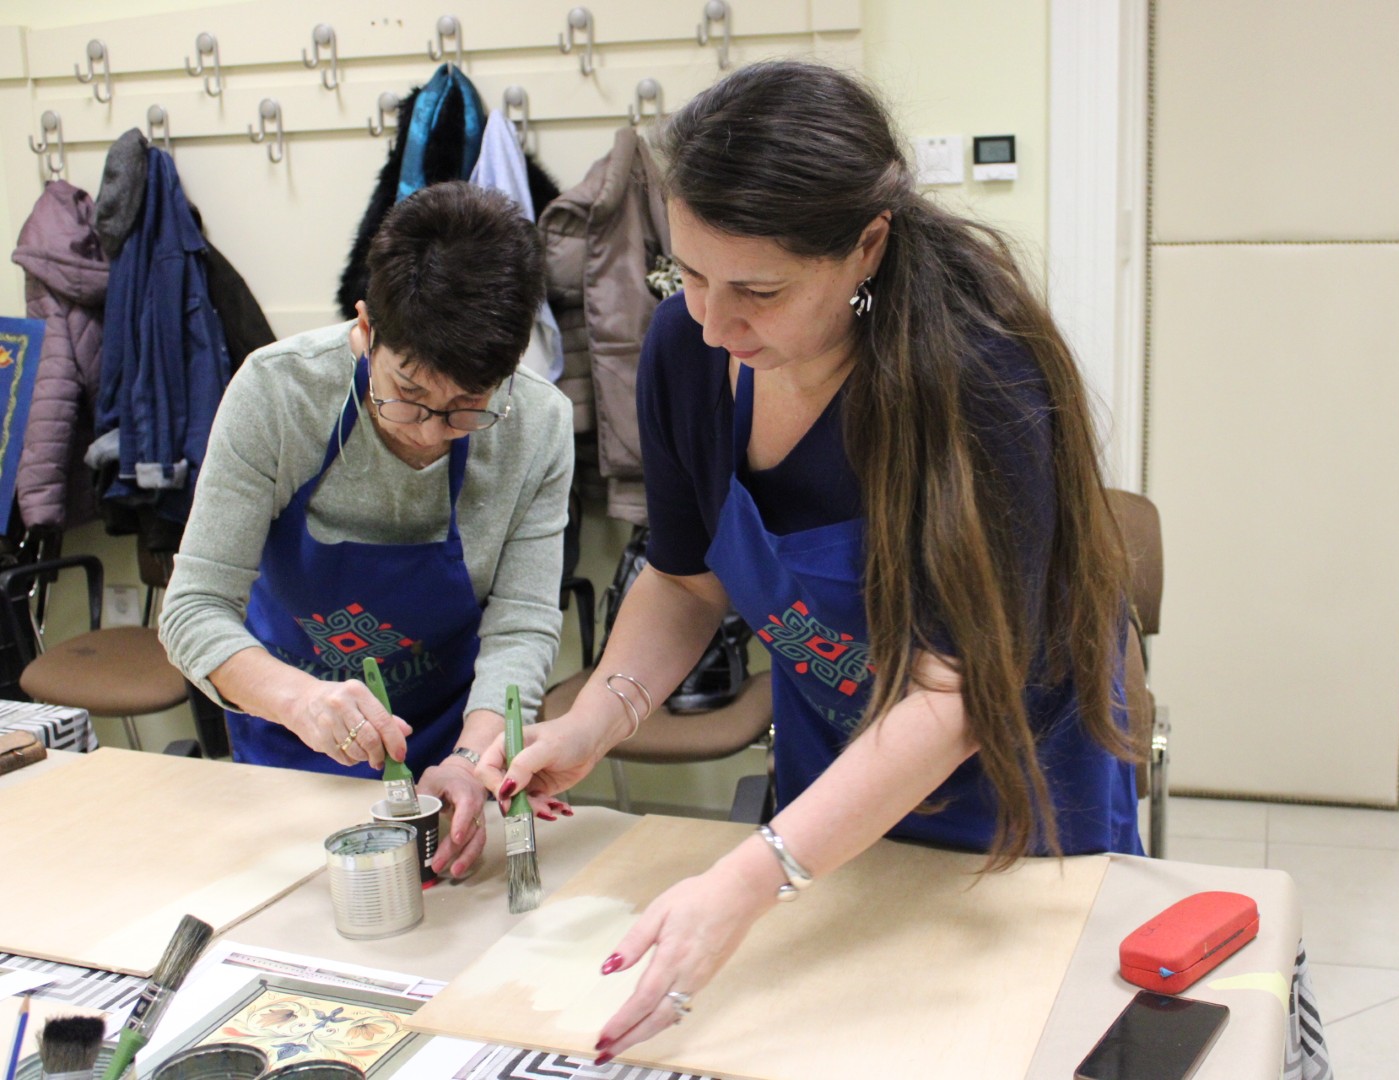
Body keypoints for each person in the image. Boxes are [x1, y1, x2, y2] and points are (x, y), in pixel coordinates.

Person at [481, 60, 1142, 1063]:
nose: (713, 323)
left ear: (866, 247)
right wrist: (599, 715)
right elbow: (686, 579)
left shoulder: (982, 379)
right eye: (688, 275)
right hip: (832, 802)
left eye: (759, 290)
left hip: (1021, 808)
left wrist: (752, 877)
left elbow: (953, 699)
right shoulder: (688, 350)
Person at [160, 181, 575, 880]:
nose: (431, 434)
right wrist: (301, 699)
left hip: (448, 748)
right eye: (407, 395)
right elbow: (193, 609)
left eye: (466, 407)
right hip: (288, 751)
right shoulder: (278, 394)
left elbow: (522, 625)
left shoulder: (537, 424)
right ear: (365, 328)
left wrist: (472, 760)